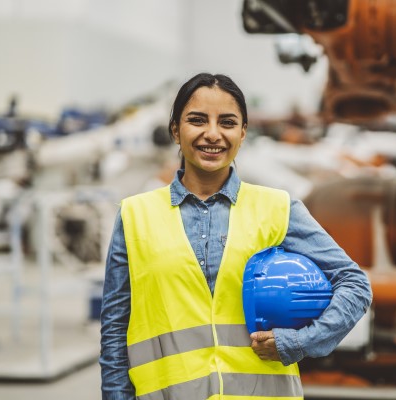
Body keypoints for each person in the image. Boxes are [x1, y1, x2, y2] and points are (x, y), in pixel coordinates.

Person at [99, 72, 373, 400]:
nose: (212, 134)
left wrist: (298, 344)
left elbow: (355, 285)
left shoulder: (278, 209)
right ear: (175, 130)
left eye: (227, 123)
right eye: (197, 120)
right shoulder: (134, 216)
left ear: (243, 133)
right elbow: (114, 336)